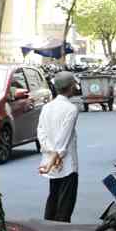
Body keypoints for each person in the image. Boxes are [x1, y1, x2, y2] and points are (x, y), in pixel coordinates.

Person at [38, 72, 83, 221]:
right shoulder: (71, 109)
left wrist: (50, 154)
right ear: (71, 88)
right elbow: (64, 137)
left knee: (53, 197)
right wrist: (57, 156)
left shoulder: (47, 107)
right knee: (65, 205)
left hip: (51, 161)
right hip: (67, 163)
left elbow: (41, 132)